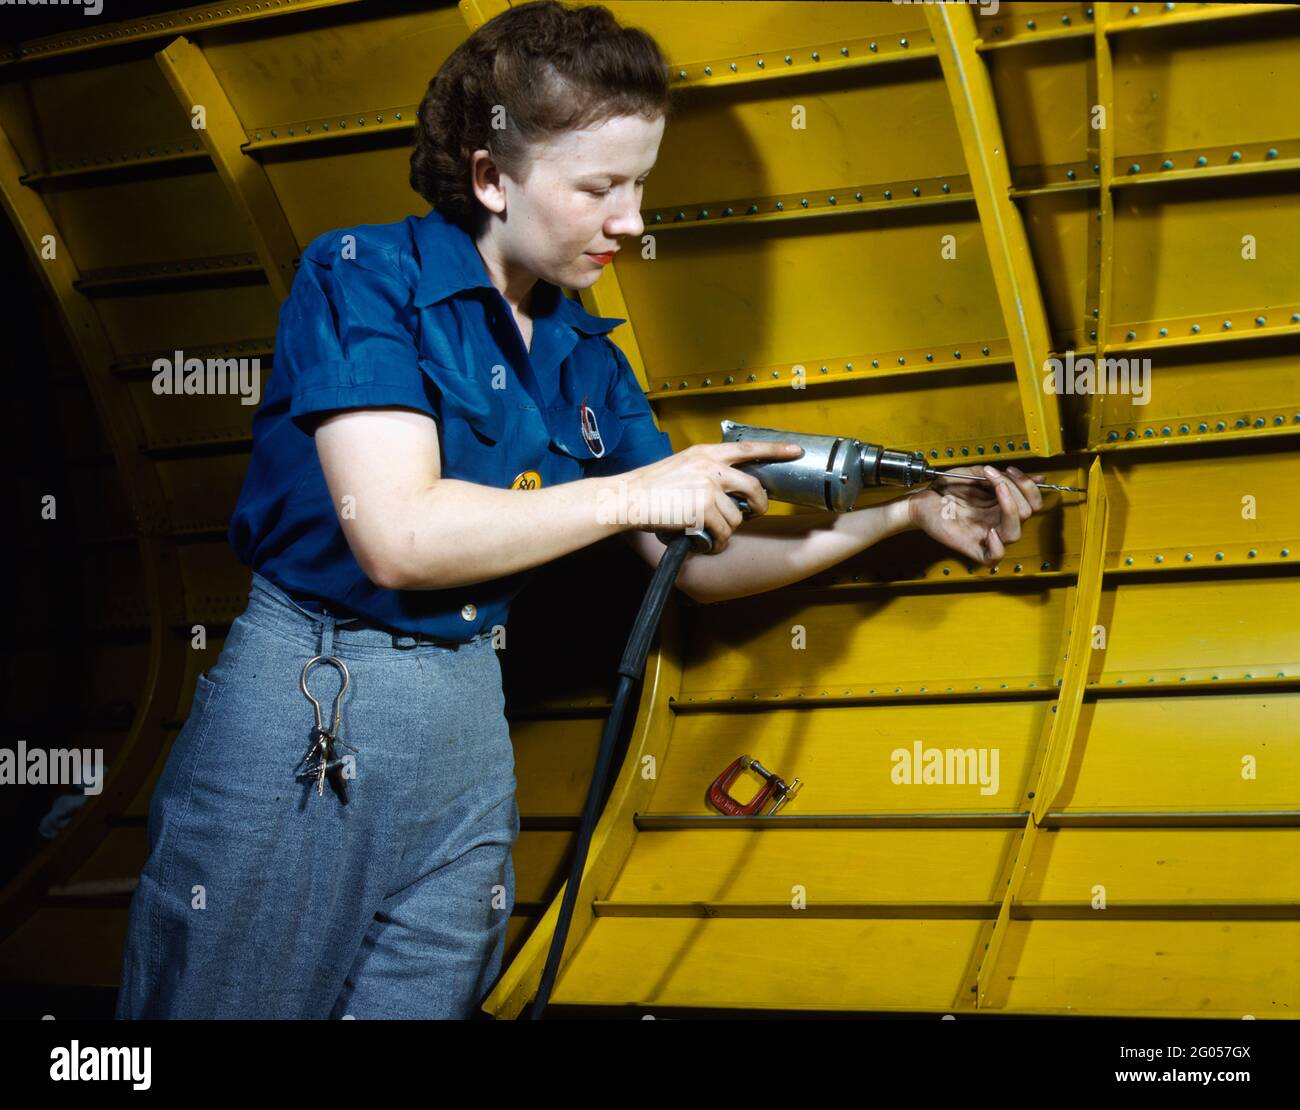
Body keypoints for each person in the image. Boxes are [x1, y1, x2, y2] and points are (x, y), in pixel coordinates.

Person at [114, 0, 1046, 1020]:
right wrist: (634, 489)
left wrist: (899, 519)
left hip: (468, 722)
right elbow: (398, 537)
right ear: (490, 178)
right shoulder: (362, 277)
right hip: (315, 698)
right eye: (600, 187)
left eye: (638, 184)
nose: (632, 220)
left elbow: (686, 560)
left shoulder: (585, 356)